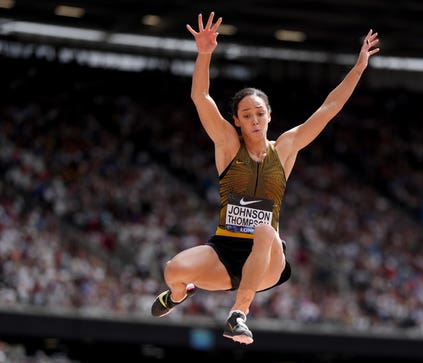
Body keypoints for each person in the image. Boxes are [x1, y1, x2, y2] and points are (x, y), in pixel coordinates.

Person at [151, 11, 379, 345]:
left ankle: (238, 314)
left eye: (260, 113)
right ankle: (178, 296)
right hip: (225, 251)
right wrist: (204, 54)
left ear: (269, 116)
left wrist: (358, 68)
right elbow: (201, 98)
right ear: (237, 120)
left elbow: (329, 109)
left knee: (264, 229)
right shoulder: (229, 146)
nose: (255, 120)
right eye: (247, 115)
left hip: (267, 259)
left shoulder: (285, 147)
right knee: (173, 269)